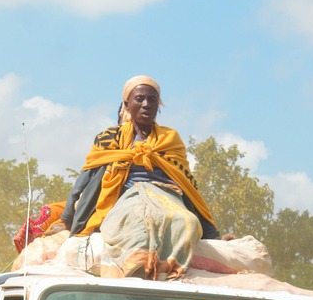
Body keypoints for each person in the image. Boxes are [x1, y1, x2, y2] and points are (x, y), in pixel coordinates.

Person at [60, 76, 220, 279]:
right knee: (137, 218)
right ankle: (136, 264)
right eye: (140, 99)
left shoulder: (170, 138)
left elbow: (187, 183)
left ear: (158, 106)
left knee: (187, 221)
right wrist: (68, 217)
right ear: (127, 104)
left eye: (152, 100)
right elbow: (87, 176)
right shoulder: (109, 137)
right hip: (128, 194)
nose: (146, 104)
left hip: (167, 194)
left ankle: (166, 270)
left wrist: (212, 233)